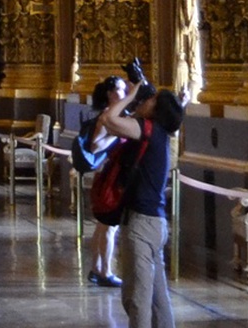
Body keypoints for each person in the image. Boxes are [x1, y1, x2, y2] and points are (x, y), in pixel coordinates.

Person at [97, 86, 187, 328]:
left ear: (156, 110)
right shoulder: (158, 134)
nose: (145, 101)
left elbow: (108, 119)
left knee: (137, 299)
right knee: (158, 300)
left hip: (142, 224)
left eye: (151, 99)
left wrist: (130, 95)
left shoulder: (148, 130)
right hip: (154, 223)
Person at [78, 77, 127, 288]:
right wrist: (116, 135)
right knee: (109, 227)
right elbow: (95, 146)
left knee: (102, 225)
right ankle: (106, 271)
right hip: (109, 177)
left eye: (125, 90)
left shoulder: (114, 114)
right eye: (119, 90)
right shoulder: (107, 116)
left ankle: (96, 268)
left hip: (111, 174)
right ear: (109, 93)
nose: (122, 95)